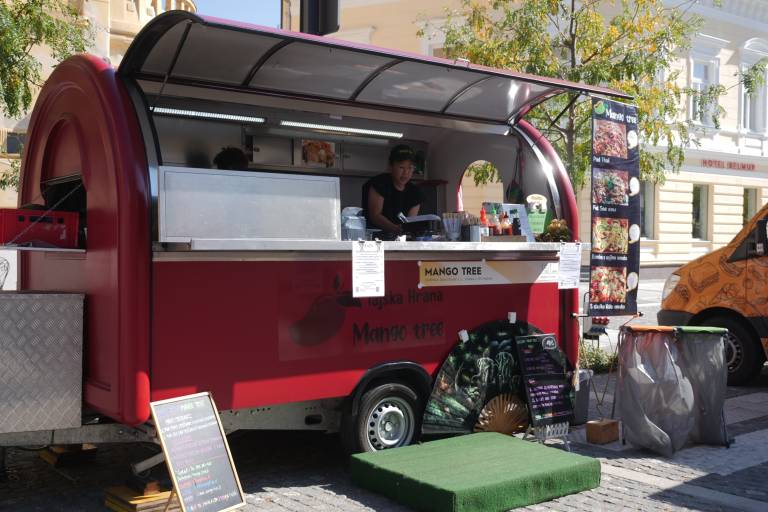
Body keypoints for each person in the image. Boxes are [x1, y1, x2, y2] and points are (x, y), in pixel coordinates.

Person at [363, 144, 424, 234]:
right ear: (390, 166)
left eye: (410, 168)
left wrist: (406, 230)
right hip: (375, 236)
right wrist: (396, 229)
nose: (406, 173)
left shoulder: (415, 192)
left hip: (401, 238)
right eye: (401, 167)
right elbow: (375, 216)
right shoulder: (379, 183)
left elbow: (410, 222)